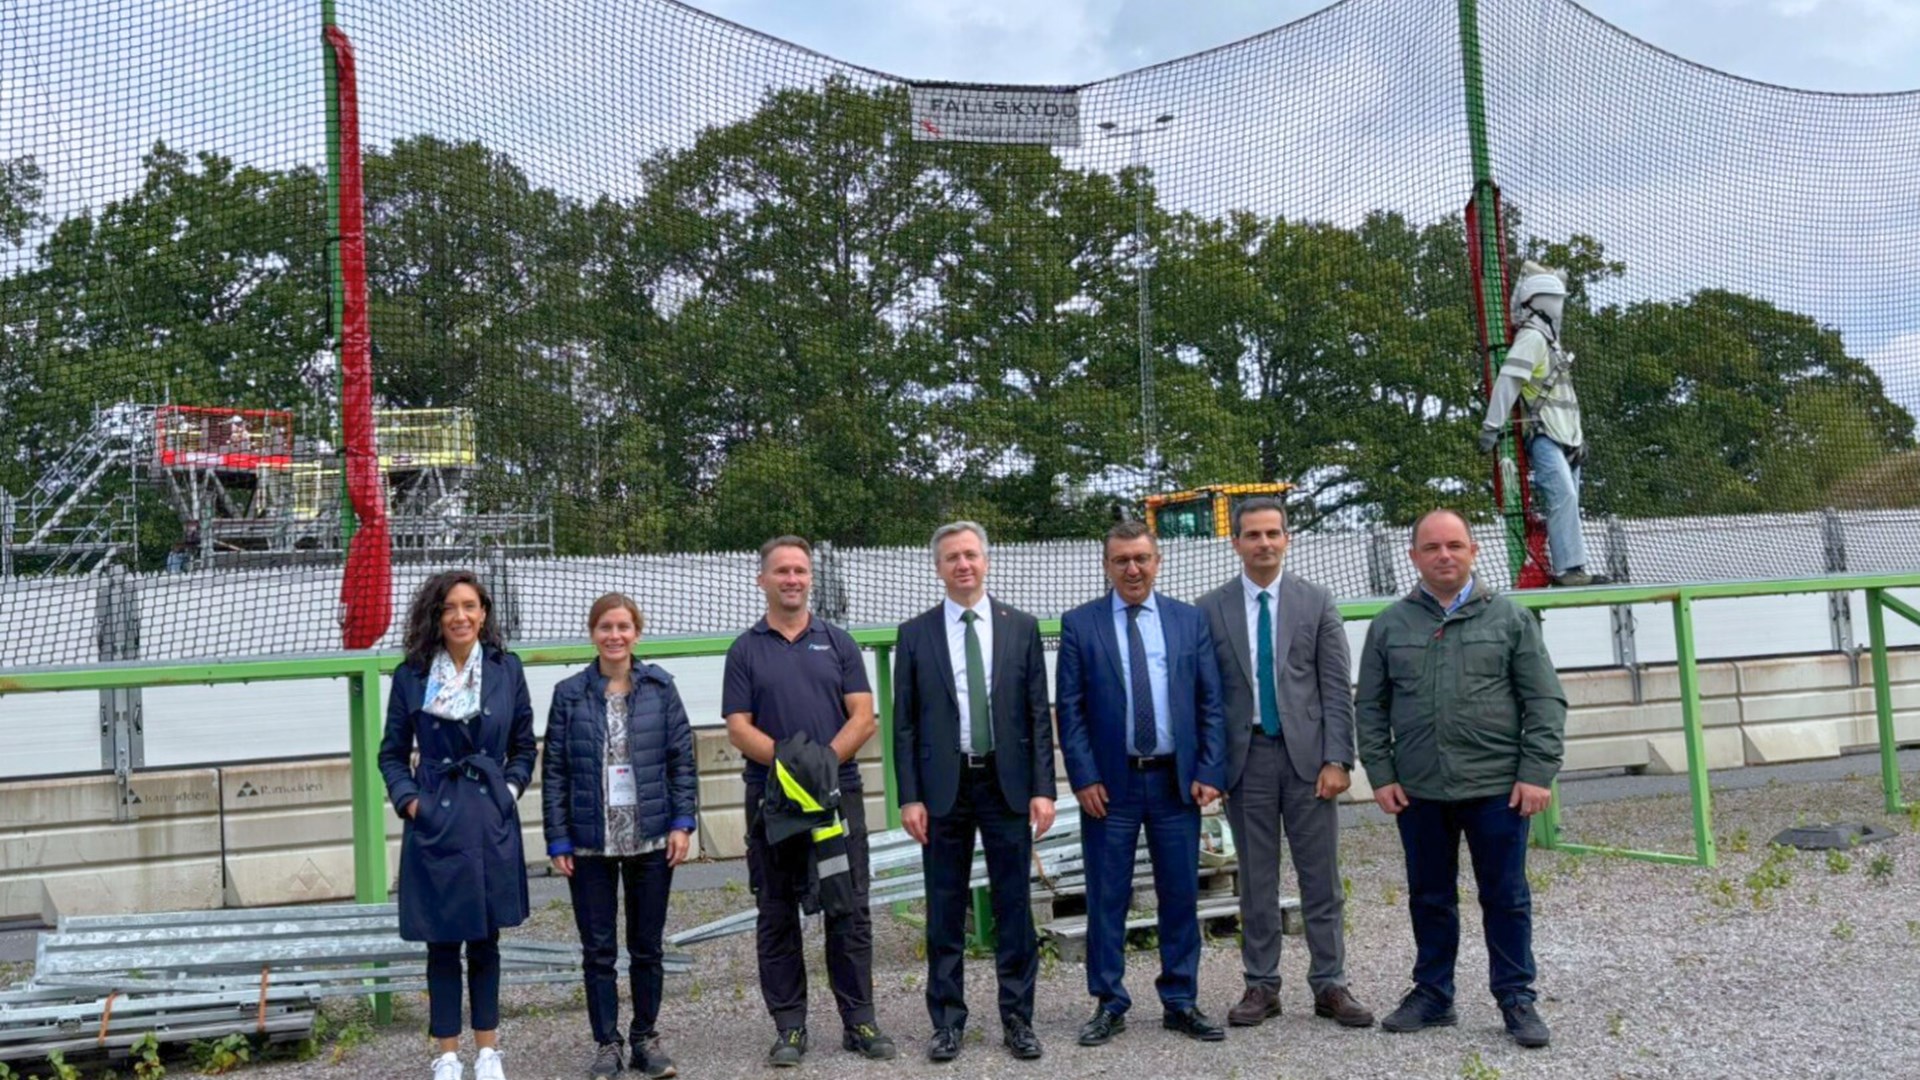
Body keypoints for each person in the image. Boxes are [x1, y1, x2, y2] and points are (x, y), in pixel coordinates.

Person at [1355, 508, 1567, 1049]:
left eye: (1454, 545)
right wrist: (1381, 773)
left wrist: (1536, 773)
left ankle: (1516, 997)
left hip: (1498, 788)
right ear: (1414, 557)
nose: (1444, 555)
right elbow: (1370, 708)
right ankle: (1433, 994)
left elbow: (1545, 701)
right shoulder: (1390, 625)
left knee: (1506, 897)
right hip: (1420, 790)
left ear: (1474, 550)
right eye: (1431, 547)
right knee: (1429, 897)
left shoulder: (1510, 619)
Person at [1196, 497, 1374, 1030]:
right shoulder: (1210, 609)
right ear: (1235, 542)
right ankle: (1261, 985)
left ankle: (1330, 983)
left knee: (1321, 879)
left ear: (1287, 538)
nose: (1264, 543)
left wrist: (1338, 758)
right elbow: (1205, 696)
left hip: (1308, 762)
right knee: (1256, 881)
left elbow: (1336, 687)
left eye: (1273, 533)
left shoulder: (1315, 602)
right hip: (1245, 761)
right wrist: (1209, 766)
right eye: (1253, 535)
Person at [723, 536, 898, 1068]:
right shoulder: (744, 650)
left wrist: (822, 765)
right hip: (772, 803)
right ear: (763, 580)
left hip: (836, 798)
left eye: (800, 570)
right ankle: (790, 1028)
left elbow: (863, 716)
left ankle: (860, 1021)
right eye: (782, 571)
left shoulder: (838, 643)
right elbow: (738, 728)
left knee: (849, 909)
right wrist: (791, 767)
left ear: (810, 578)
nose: (792, 579)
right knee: (777, 913)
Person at [1056, 519, 1229, 1047]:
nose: (1132, 569)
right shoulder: (1080, 625)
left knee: (1180, 893)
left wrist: (1209, 769)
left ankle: (1181, 1000)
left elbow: (1210, 701)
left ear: (1158, 561)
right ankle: (1109, 1002)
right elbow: (1070, 709)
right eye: (1121, 560)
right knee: (1107, 896)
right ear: (1106, 566)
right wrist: (1083, 776)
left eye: (1141, 558)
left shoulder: (1188, 620)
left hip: (1176, 783)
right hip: (1111, 788)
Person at [891, 521, 1057, 1063]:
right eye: (952, 558)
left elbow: (1037, 713)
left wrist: (1044, 788)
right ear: (937, 567)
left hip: (1006, 785)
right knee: (944, 906)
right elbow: (904, 723)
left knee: (1014, 905)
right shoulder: (915, 634)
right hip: (944, 787)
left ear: (986, 560)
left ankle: (1018, 1019)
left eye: (970, 555)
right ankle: (947, 1022)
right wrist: (909, 796)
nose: (962, 564)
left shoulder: (1021, 627)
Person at [378, 570, 537, 1080]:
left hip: (489, 816)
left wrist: (508, 793)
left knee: (486, 938)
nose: (460, 616)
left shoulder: (506, 669)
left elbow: (524, 746)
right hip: (435, 819)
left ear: (484, 613)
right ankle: (447, 1055)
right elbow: (391, 755)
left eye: (470, 606)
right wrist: (412, 804)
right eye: (449, 607)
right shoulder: (412, 674)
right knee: (442, 942)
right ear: (436, 615)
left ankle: (488, 1052)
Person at [543, 593, 697, 1079]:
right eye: (606, 627)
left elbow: (681, 760)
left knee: (647, 946)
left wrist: (682, 822)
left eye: (623, 627)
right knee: (599, 951)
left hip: (650, 838)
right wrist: (558, 838)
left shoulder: (660, 688)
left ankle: (645, 1039)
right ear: (593, 633)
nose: (615, 636)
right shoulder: (569, 694)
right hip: (590, 842)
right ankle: (606, 1043)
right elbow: (555, 772)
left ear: (637, 633)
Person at [1478, 260, 1609, 588]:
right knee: (1563, 496)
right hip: (1546, 434)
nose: (1559, 306)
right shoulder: (1533, 338)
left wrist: (1578, 437)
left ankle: (1573, 565)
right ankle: (1569, 569)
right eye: (1555, 299)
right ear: (1539, 302)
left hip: (1566, 436)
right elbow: (1509, 380)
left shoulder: (1550, 340)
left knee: (1569, 501)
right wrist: (1492, 425)